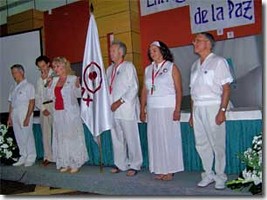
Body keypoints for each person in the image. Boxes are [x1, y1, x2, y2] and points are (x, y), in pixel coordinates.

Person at [189, 32, 233, 189]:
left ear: (208, 43)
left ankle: (221, 176)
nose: (194, 43)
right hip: (198, 108)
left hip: (214, 106)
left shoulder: (219, 62)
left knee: (217, 143)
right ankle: (208, 174)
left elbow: (226, 89)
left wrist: (222, 110)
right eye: (195, 41)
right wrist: (192, 115)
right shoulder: (194, 65)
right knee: (201, 144)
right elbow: (193, 93)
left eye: (198, 41)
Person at [140, 41, 184, 181]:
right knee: (156, 139)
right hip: (153, 108)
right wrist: (142, 109)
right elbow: (144, 91)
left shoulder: (171, 67)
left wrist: (177, 109)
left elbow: (179, 90)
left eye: (155, 50)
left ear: (162, 51)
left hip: (168, 107)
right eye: (150, 51)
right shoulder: (148, 70)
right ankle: (160, 168)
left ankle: (170, 170)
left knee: (169, 138)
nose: (152, 53)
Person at [106, 40, 143, 176]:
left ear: (121, 52)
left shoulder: (128, 66)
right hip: (112, 110)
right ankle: (120, 163)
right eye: (110, 51)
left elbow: (133, 88)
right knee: (116, 137)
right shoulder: (109, 69)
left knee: (131, 137)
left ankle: (135, 164)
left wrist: (119, 101)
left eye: (113, 50)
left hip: (126, 108)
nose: (110, 53)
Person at [46, 57, 88, 173]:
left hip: (70, 113)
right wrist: (49, 85)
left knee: (72, 137)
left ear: (64, 67)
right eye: (54, 67)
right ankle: (65, 161)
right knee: (61, 137)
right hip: (58, 113)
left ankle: (75, 162)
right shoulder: (54, 81)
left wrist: (78, 86)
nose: (55, 69)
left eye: (58, 66)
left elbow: (78, 95)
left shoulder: (72, 78)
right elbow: (49, 97)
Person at [7, 64, 37, 167]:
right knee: (19, 136)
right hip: (15, 112)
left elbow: (32, 102)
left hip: (25, 111)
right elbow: (11, 103)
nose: (13, 75)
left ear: (22, 72)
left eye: (15, 72)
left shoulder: (29, 86)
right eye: (12, 73)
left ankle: (31, 157)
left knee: (27, 135)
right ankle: (23, 156)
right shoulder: (13, 86)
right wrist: (9, 117)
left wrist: (28, 117)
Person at [35, 55, 54, 166]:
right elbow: (37, 96)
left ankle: (59, 156)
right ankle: (48, 156)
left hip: (54, 105)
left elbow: (52, 92)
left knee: (57, 132)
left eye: (43, 65)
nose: (42, 69)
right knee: (45, 133)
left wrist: (46, 80)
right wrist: (42, 109)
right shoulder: (39, 80)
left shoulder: (54, 75)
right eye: (39, 67)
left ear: (48, 64)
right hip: (43, 107)